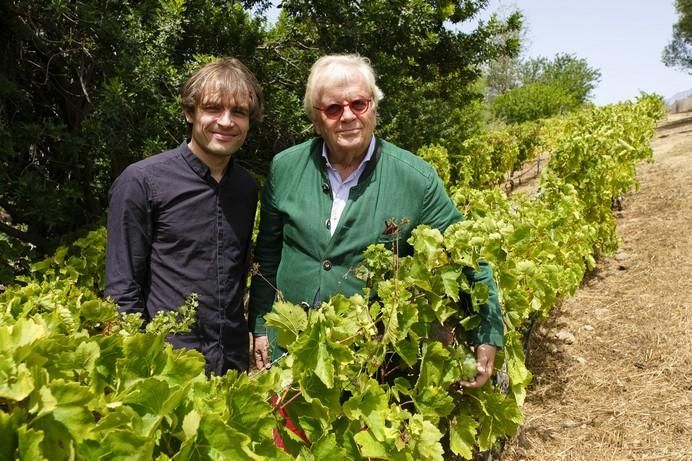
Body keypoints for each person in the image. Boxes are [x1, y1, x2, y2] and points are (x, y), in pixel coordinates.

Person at [249, 54, 503, 388]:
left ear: (374, 109)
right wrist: (261, 328)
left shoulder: (416, 179)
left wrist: (487, 331)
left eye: (358, 103)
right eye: (334, 109)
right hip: (292, 345)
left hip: (371, 360)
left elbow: (467, 253)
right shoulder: (285, 168)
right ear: (316, 118)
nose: (348, 116)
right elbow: (268, 255)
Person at [105, 58, 263, 375]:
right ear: (190, 112)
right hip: (166, 367)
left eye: (239, 112)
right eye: (213, 108)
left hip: (231, 366)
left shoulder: (246, 189)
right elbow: (121, 290)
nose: (226, 121)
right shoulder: (142, 182)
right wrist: (134, 366)